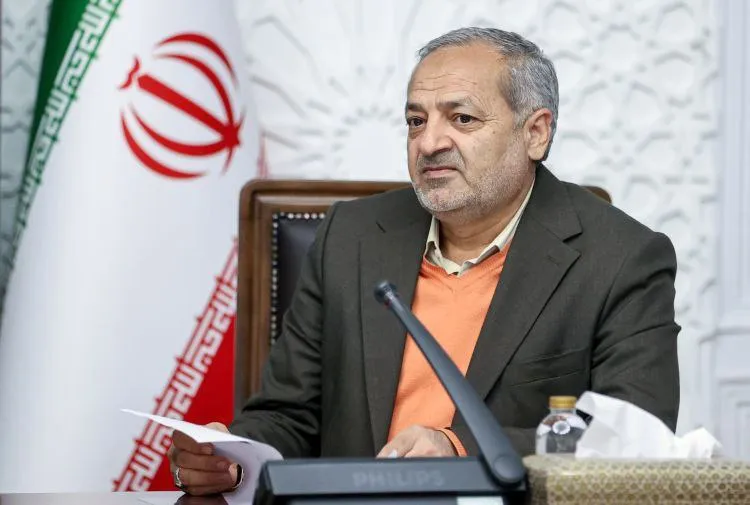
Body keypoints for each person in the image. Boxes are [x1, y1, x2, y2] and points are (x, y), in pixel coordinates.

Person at [168, 27, 680, 495]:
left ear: (535, 133)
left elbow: (633, 440)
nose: (429, 143)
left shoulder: (620, 258)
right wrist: (233, 459)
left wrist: (460, 453)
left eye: (462, 118)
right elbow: (288, 415)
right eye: (416, 121)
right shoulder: (351, 238)